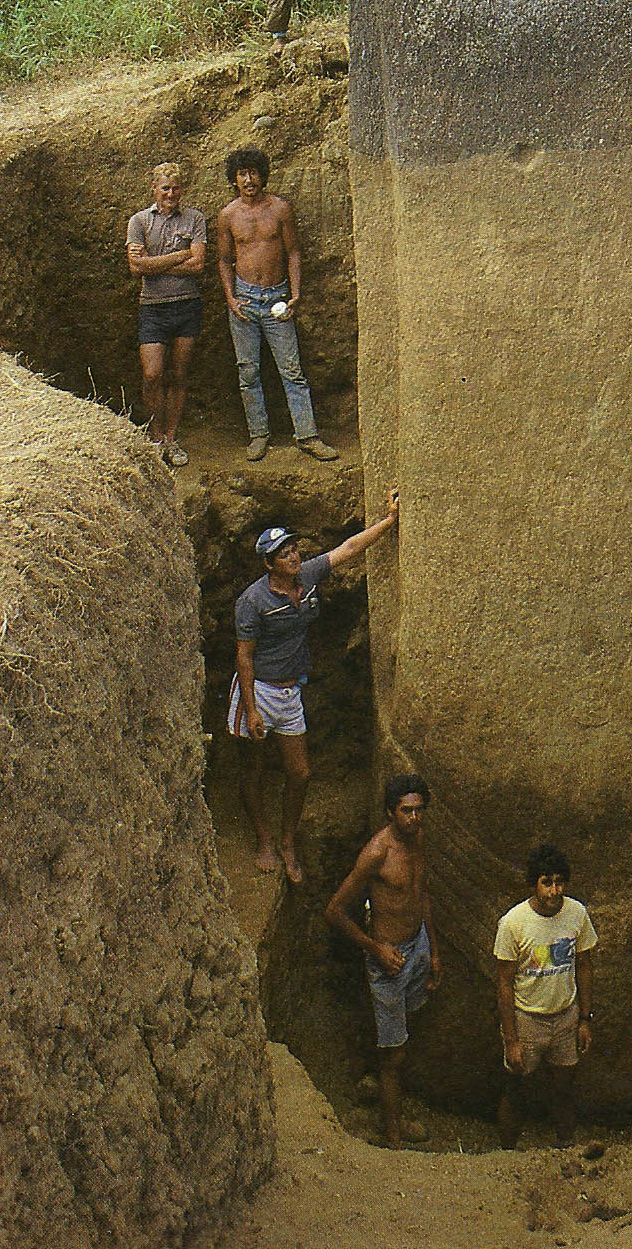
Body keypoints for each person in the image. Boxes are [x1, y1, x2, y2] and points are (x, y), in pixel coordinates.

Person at [229, 498, 399, 883]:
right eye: (282, 554)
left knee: (300, 773)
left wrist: (389, 521)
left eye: (292, 548)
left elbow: (349, 548)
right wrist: (252, 710)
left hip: (291, 694)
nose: (292, 555)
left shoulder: (307, 576)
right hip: (259, 691)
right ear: (268, 564)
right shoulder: (253, 602)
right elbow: (244, 658)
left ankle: (288, 842)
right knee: (254, 767)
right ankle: (263, 838)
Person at [326, 773, 441, 1149]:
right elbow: (335, 910)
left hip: (417, 946)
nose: (414, 818)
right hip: (387, 959)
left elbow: (421, 895)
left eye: (419, 810)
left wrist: (433, 952)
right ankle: (392, 1138)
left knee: (405, 1035)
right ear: (391, 813)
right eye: (406, 811)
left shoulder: (418, 840)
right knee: (394, 1053)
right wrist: (374, 948)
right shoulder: (377, 852)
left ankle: (387, 1101)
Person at [215, 145, 337, 461]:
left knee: (292, 371)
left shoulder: (281, 209)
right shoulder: (228, 216)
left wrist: (295, 294)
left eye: (253, 172)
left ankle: (307, 435)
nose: (249, 179)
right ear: (235, 179)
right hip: (244, 301)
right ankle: (258, 435)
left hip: (276, 299)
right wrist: (230, 298)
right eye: (242, 174)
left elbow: (294, 252)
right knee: (248, 372)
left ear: (262, 175)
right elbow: (225, 259)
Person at [493, 841, 598, 1149]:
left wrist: (584, 1019)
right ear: (534, 884)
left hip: (565, 1017)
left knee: (564, 1088)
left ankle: (566, 1147)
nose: (554, 891)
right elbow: (503, 983)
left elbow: (586, 967)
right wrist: (512, 1039)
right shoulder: (513, 923)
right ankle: (506, 1156)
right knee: (516, 1089)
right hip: (527, 1020)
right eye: (547, 883)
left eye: (559, 882)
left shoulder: (577, 914)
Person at [125, 161, 207, 468]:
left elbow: (198, 266)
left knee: (179, 374)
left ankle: (171, 438)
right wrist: (180, 255)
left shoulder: (195, 219)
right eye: (165, 188)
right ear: (154, 189)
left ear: (182, 190)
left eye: (175, 188)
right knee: (152, 374)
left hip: (186, 304)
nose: (170, 194)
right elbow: (136, 268)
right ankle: (156, 436)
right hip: (153, 307)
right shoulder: (139, 221)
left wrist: (154, 262)